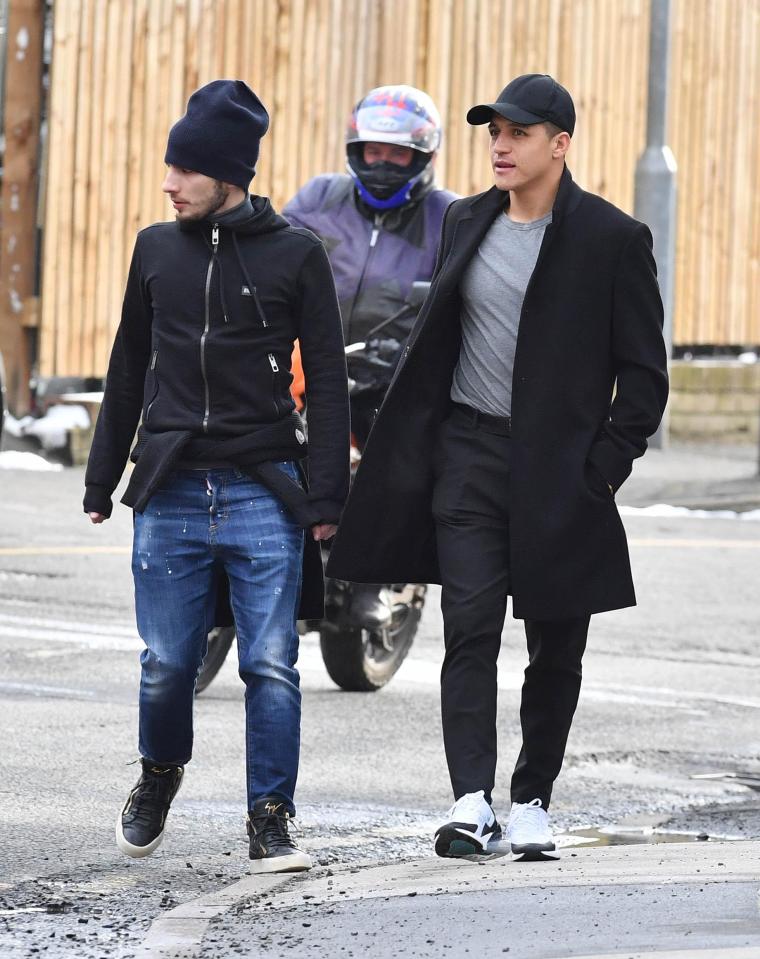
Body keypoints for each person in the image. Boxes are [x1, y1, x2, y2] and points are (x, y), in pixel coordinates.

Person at [326, 74, 668, 861]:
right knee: (469, 629)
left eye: (517, 133)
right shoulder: (468, 220)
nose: (500, 147)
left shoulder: (613, 240)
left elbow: (644, 376)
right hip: (470, 456)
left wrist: (600, 469)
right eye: (492, 134)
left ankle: (533, 800)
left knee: (556, 644)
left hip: (562, 471)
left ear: (560, 143)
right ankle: (471, 799)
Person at [83, 80, 349, 872]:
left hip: (263, 489)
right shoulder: (155, 249)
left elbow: (329, 381)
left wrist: (326, 496)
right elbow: (129, 364)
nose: (169, 183)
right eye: (169, 166)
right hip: (167, 487)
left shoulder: (297, 255)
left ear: (230, 174)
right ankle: (159, 773)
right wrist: (102, 478)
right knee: (167, 662)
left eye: (185, 170)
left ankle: (270, 814)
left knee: (272, 661)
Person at [284, 84, 457, 628]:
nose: (382, 163)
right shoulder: (318, 200)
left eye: (397, 152)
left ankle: (375, 581)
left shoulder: (449, 217)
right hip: (311, 362)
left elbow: (465, 297)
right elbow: (273, 259)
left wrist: (418, 346)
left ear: (421, 155)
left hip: (392, 375)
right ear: (356, 149)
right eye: (373, 150)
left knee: (397, 463)